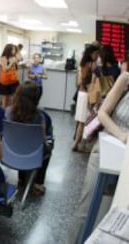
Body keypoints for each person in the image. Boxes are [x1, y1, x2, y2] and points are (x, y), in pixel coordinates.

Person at [67, 72, 129, 244]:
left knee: (112, 213)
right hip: (105, 149)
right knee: (87, 207)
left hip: (125, 164)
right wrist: (123, 135)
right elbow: (102, 113)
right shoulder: (125, 79)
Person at [5, 81, 52, 193]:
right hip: (32, 155)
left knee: (20, 142)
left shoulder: (8, 111)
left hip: (11, 154)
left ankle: (21, 179)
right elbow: (43, 140)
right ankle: (38, 183)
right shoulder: (40, 117)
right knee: (48, 148)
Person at [72, 45, 100, 152]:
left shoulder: (82, 64)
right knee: (86, 121)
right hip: (88, 94)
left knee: (80, 121)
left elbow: (79, 81)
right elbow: (93, 81)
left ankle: (76, 143)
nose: (97, 56)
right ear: (91, 53)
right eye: (96, 53)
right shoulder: (93, 64)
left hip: (81, 93)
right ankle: (80, 144)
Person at [0, 44, 20, 108]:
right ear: (8, 50)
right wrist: (11, 63)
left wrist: (16, 61)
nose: (14, 51)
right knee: (5, 97)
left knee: (14, 96)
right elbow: (5, 69)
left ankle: (11, 109)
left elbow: (17, 68)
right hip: (6, 80)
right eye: (12, 49)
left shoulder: (13, 57)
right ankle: (3, 110)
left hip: (14, 80)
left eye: (14, 49)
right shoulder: (3, 57)